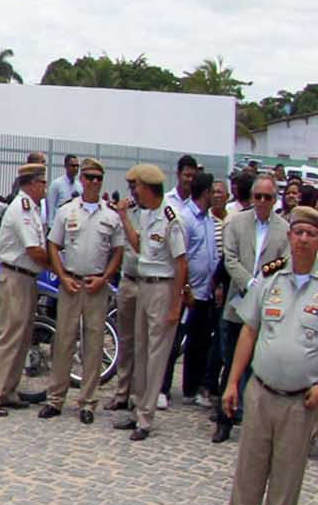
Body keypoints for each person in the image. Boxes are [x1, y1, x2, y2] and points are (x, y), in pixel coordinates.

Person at [214, 206, 318, 505]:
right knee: (248, 482)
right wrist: (233, 382)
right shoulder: (271, 278)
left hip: (300, 404)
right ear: (289, 237)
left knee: (284, 490)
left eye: (311, 233)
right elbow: (249, 331)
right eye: (298, 232)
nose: (303, 239)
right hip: (261, 393)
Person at [111, 163, 190, 442]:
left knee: (156, 355)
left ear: (147, 188)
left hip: (162, 288)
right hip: (144, 285)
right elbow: (139, 245)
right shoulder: (146, 215)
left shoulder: (171, 218)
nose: (135, 192)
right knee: (142, 351)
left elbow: (181, 264)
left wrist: (175, 305)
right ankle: (136, 408)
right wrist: (124, 217)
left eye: (137, 187)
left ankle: (146, 418)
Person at [41, 160, 124, 423]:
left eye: (98, 178)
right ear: (82, 179)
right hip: (71, 284)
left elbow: (118, 251)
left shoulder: (110, 216)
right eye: (89, 177)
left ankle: (87, 402)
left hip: (96, 286)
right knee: (63, 342)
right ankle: (55, 399)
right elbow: (53, 245)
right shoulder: (67, 212)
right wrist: (62, 276)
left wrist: (106, 278)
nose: (93, 182)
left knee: (94, 345)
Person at [0, 163, 50, 414]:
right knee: (8, 337)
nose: (45, 188)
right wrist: (59, 266)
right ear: (30, 184)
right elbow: (34, 249)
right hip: (15, 276)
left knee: (22, 337)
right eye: (42, 183)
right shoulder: (23, 208)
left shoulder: (33, 208)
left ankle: (7, 391)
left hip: (27, 277)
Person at [214, 173, 282, 445]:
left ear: (275, 200)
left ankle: (254, 423)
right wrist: (248, 282)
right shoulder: (237, 222)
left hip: (267, 306)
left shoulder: (284, 229)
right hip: (237, 302)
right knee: (230, 364)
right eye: (258, 196)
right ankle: (223, 420)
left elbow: (283, 261)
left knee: (259, 369)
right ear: (252, 197)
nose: (263, 201)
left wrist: (262, 282)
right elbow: (229, 258)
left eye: (268, 197)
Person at [169, 172, 220, 408]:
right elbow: (182, 255)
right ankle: (163, 388)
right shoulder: (185, 218)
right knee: (174, 341)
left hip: (205, 293)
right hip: (188, 293)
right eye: (213, 191)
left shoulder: (209, 219)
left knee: (199, 345)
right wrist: (186, 287)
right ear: (205, 192)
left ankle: (192, 388)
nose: (216, 196)